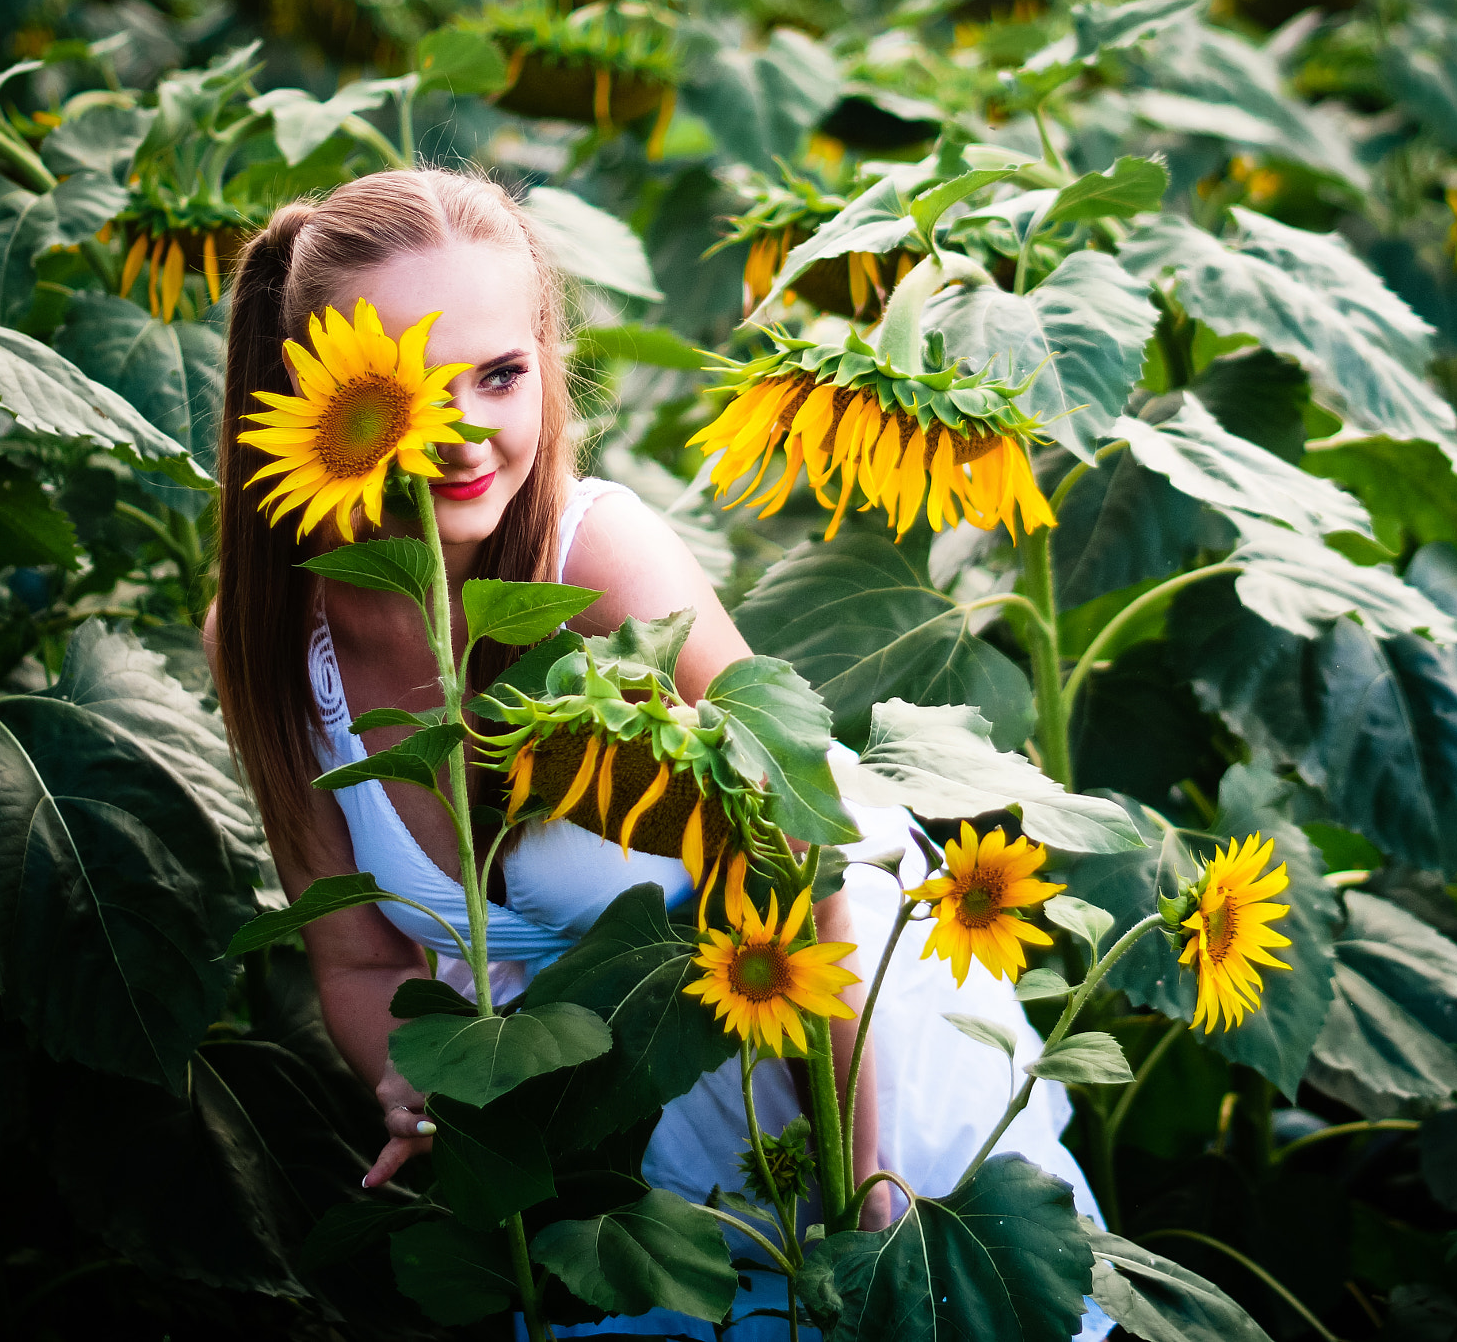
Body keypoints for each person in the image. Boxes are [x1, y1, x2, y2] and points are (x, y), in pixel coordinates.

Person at [205, 167, 1107, 1339]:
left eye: (499, 374)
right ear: (313, 395)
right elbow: (359, 960)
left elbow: (802, 849)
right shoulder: (274, 638)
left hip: (830, 1050)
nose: (466, 427)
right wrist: (417, 1079)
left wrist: (863, 1179)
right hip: (598, 1150)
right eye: (411, 388)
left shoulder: (598, 565)